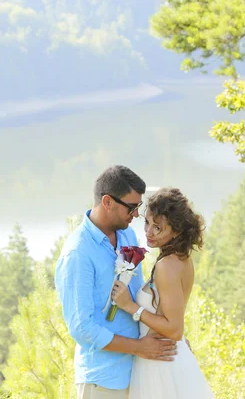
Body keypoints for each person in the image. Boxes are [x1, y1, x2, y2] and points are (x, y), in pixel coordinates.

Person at [55, 165, 177, 399]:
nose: (136, 215)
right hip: (104, 380)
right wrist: (139, 348)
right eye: (131, 207)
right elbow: (82, 329)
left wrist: (170, 337)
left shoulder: (127, 236)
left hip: (140, 372)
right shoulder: (78, 253)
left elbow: (138, 299)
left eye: (138, 207)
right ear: (108, 202)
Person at [111, 187, 215, 398]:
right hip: (168, 356)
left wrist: (131, 307)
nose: (148, 232)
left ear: (176, 230)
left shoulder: (167, 265)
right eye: (147, 223)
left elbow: (174, 329)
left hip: (161, 365)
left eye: (158, 227)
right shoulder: (181, 259)